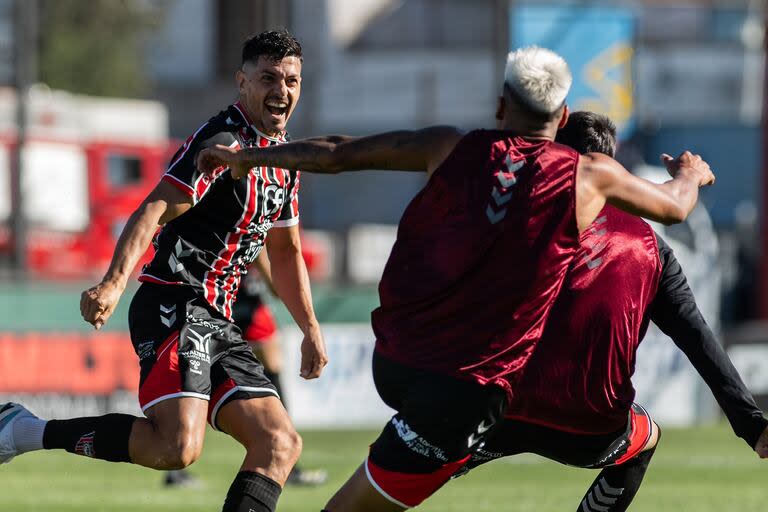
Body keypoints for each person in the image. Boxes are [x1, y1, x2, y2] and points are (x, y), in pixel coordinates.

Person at [198, 46, 715, 511]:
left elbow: (336, 152)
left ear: (499, 106)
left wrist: (251, 157)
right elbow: (672, 207)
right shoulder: (588, 174)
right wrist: (691, 173)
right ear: (561, 117)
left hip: (397, 364)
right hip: (466, 394)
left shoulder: (449, 146)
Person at [0, 29, 328, 512]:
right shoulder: (221, 143)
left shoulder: (283, 159)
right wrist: (113, 283)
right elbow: (155, 207)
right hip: (175, 303)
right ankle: (23, 430)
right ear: (242, 83)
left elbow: (286, 250)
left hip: (221, 320)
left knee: (279, 444)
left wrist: (310, 327)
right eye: (268, 78)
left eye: (292, 80)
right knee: (177, 449)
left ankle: (21, 428)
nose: (282, 90)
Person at [448, 111, 768, 512]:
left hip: (499, 411)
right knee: (644, 437)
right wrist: (752, 425)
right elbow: (697, 337)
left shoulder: (517, 219)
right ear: (611, 168)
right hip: (591, 427)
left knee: (415, 452)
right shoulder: (651, 248)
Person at [232, 250, 328, 486]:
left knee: (200, 378)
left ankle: (175, 466)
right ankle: (285, 458)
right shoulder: (255, 220)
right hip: (239, 302)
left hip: (227, 298)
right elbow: (276, 285)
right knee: (272, 373)